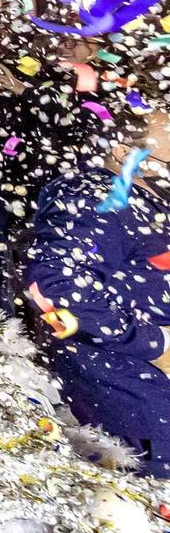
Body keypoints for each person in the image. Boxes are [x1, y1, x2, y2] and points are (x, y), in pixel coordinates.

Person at [21, 99, 170, 477]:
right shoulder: (95, 200)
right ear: (123, 151)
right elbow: (56, 287)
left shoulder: (146, 195)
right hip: (129, 382)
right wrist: (152, 343)